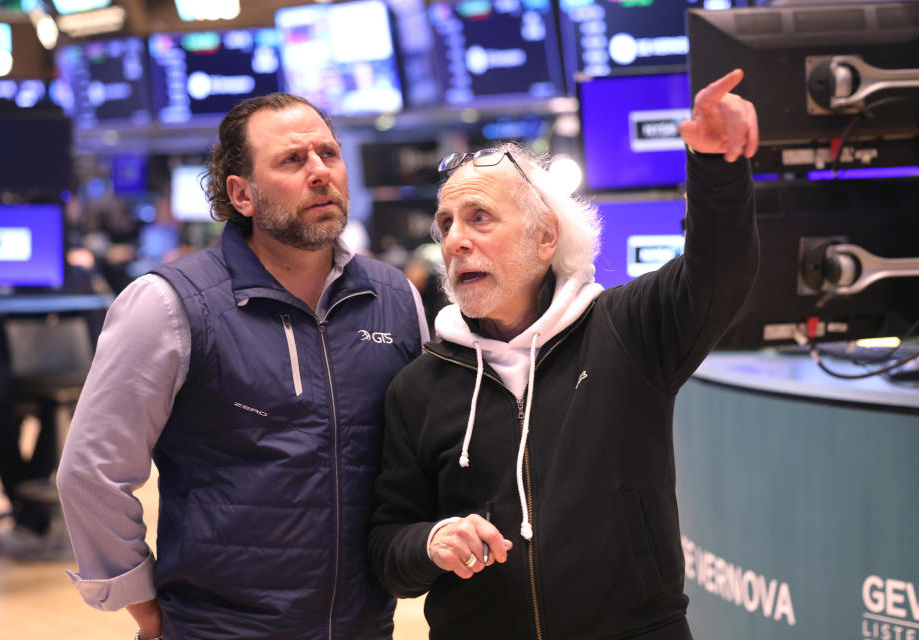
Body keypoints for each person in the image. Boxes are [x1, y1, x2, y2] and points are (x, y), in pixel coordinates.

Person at [367, 69, 760, 639]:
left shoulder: (628, 329)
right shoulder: (421, 385)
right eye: (446, 224)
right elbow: (386, 545)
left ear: (545, 237)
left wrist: (717, 167)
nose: (454, 240)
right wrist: (430, 541)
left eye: (479, 217)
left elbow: (721, 274)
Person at [56, 93, 430, 640]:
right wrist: (142, 604)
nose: (320, 173)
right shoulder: (168, 305)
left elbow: (419, 457)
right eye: (292, 161)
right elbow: (92, 472)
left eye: (328, 153)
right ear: (242, 194)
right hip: (218, 627)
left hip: (363, 624)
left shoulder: (396, 296)